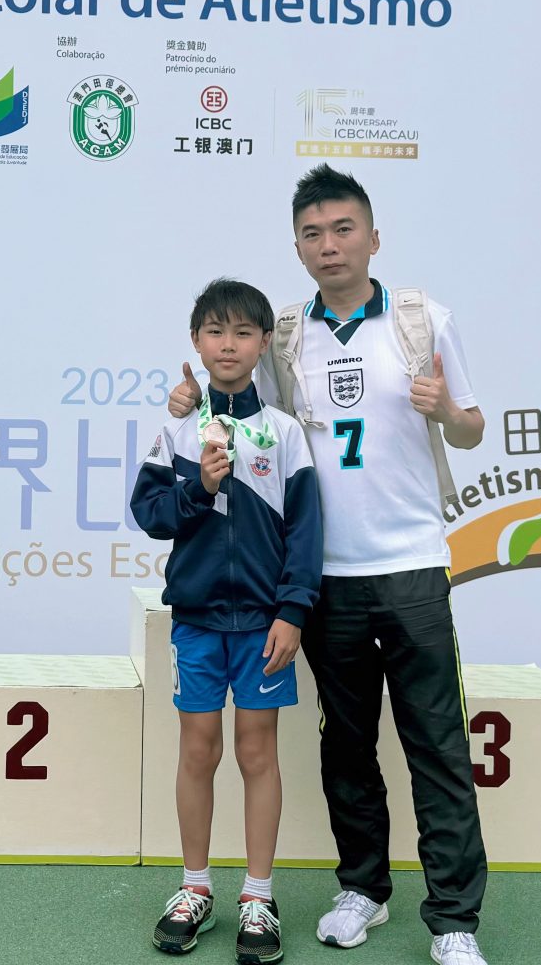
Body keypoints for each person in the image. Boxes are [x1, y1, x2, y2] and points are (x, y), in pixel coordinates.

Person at [168, 165, 494, 965]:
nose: (329, 245)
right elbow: (240, 406)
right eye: (312, 234)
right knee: (346, 746)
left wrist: (447, 412)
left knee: (436, 745)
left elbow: (473, 426)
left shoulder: (422, 319)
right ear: (298, 248)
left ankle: (454, 922)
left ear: (373, 237)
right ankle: (363, 892)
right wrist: (186, 406)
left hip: (412, 566)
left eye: (343, 229)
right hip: (323, 578)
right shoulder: (283, 335)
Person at [132, 278, 322, 964]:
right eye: (215, 331)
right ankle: (194, 888)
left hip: (265, 626)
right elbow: (150, 514)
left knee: (257, 753)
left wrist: (292, 611)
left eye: (243, 332)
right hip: (197, 621)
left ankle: (259, 896)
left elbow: (305, 532)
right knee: (197, 751)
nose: (229, 344)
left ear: (264, 343)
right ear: (196, 341)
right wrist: (201, 486)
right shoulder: (178, 429)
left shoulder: (285, 434)